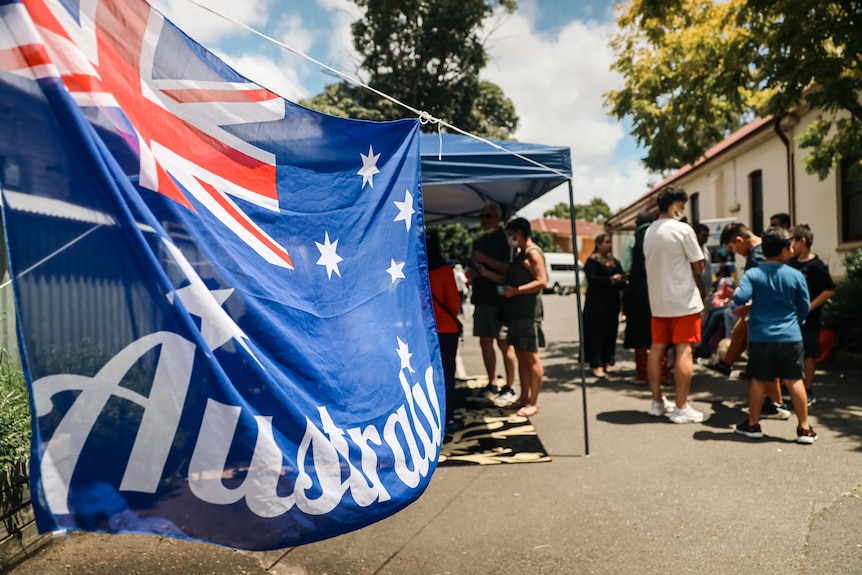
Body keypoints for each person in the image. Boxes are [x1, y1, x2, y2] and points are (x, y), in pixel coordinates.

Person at [732, 227, 817, 443]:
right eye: (789, 247)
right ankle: (804, 428)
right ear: (783, 251)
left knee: (760, 380)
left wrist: (739, 299)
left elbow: (740, 297)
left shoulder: (754, 273)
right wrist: (795, 323)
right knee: (795, 380)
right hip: (790, 335)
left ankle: (752, 424)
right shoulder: (796, 275)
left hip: (761, 336)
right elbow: (804, 307)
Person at [699, 223, 789, 419]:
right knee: (763, 358)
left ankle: (771, 407)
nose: (735, 252)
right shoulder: (768, 249)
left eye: (732, 248)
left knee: (763, 363)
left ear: (739, 240)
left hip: (764, 317)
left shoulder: (757, 256)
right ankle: (775, 403)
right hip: (777, 316)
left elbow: (764, 289)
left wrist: (746, 307)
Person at [642, 185, 708, 423]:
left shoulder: (649, 231)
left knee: (657, 348)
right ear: (673, 206)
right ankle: (682, 406)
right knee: (684, 350)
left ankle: (657, 401)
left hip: (658, 301)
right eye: (681, 206)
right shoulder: (682, 229)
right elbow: (698, 265)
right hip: (683, 300)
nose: (682, 210)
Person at [475, 218, 547, 417]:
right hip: (515, 314)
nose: (509, 238)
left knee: (531, 357)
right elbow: (508, 279)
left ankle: (534, 402)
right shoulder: (520, 254)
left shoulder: (533, 253)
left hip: (528, 315)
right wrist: (486, 274)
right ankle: (524, 398)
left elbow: (542, 281)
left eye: (510, 234)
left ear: (519, 233)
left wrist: (516, 291)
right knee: (522, 356)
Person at [464, 202, 517, 406]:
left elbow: (508, 269)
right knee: (485, 342)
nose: (483, 220)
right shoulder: (479, 241)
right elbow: (472, 265)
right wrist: (473, 272)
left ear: (497, 218)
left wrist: (484, 260)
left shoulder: (505, 240)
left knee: (504, 344)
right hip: (481, 298)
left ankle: (510, 386)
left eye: (487, 216)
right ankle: (492, 382)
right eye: (481, 216)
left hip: (499, 301)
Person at [786, 224, 836, 406]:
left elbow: (829, 290)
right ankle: (790, 388)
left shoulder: (817, 265)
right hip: (790, 317)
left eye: (793, 241)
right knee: (791, 352)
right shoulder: (790, 263)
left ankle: (807, 389)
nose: (790, 245)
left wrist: (808, 307)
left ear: (802, 241)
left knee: (809, 353)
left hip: (810, 319)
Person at [426, 234, 463, 429]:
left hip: (426, 331)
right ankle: (448, 415)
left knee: (429, 373)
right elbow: (455, 302)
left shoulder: (419, 272)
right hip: (447, 329)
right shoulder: (445, 271)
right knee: (448, 373)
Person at [583, 233, 625, 378]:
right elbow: (592, 280)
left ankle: (608, 361)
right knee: (597, 334)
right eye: (606, 242)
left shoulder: (614, 262)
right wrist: (610, 280)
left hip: (612, 304)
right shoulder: (593, 261)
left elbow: (622, 277)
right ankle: (596, 363)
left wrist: (621, 279)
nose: (609, 245)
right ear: (599, 244)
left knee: (610, 333)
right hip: (597, 304)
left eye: (610, 242)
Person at [622, 211, 654, 383]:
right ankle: (662, 373)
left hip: (638, 291)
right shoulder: (658, 235)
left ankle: (642, 374)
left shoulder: (632, 239)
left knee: (639, 333)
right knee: (659, 334)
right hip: (659, 290)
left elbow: (626, 265)